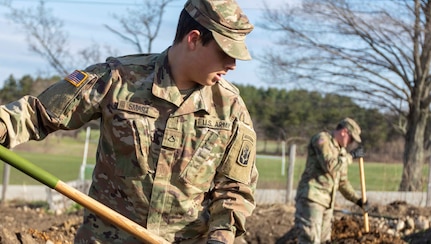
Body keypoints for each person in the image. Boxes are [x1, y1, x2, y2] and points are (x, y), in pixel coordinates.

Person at [0, 0, 258, 243]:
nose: (233, 64)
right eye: (225, 52)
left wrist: (220, 239)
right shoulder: (117, 80)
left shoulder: (231, 109)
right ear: (193, 39)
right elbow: (36, 114)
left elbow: (235, 190)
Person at [293, 117, 368, 244]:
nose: (351, 143)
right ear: (344, 132)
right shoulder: (322, 140)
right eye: (351, 139)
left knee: (324, 241)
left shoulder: (341, 152)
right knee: (310, 240)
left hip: (327, 204)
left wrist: (358, 200)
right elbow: (330, 166)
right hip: (312, 199)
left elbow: (342, 182)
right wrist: (351, 156)